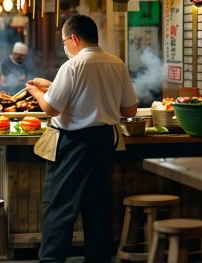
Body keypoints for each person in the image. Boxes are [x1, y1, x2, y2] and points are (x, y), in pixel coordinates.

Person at [25, 15, 137, 262]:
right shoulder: (116, 63)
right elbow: (130, 110)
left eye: (65, 42)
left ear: (74, 39)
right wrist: (53, 86)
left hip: (73, 145)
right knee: (97, 209)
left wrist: (35, 92)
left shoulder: (73, 66)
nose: (65, 47)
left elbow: (52, 109)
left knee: (59, 208)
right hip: (104, 142)